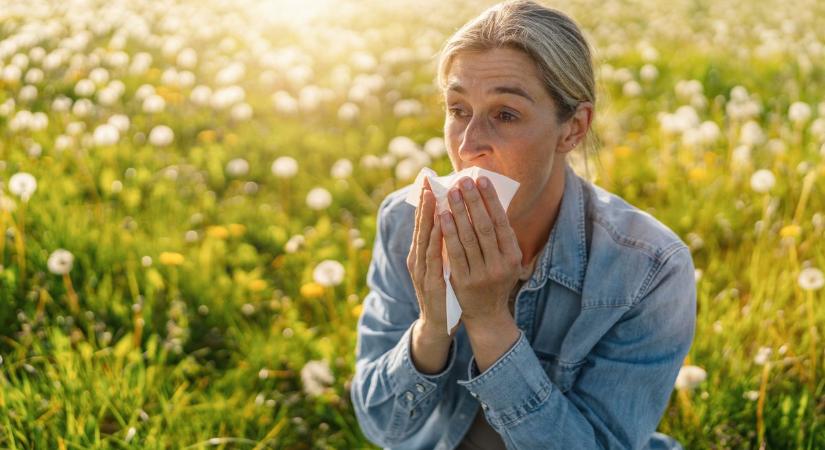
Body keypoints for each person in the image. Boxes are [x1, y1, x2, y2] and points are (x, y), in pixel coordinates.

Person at [350, 1, 697, 449]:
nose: (470, 145)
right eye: (458, 110)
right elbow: (382, 427)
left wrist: (491, 321)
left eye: (505, 114)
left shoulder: (649, 268)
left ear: (572, 129)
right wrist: (432, 329)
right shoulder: (407, 220)